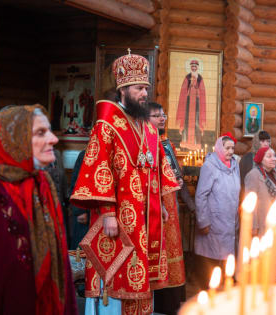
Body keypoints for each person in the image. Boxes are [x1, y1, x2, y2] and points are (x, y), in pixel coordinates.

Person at [70, 51, 179, 314]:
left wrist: (161, 205)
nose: (144, 93)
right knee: (116, 274)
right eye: (139, 88)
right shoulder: (106, 123)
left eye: (146, 88)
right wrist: (107, 213)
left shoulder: (148, 126)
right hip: (118, 217)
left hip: (146, 216)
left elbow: (157, 168)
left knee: (143, 279)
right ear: (123, 89)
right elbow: (99, 168)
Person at [0, 105, 77, 315]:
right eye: (40, 133)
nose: (54, 139)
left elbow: (60, 262)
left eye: (50, 131)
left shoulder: (42, 184)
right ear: (14, 141)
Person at [147, 102, 186, 315]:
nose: (162, 118)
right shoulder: (146, 143)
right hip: (157, 207)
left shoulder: (165, 143)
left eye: (163, 115)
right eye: (156, 115)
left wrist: (177, 182)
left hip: (170, 204)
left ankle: (171, 302)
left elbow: (173, 172)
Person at [194, 135, 240, 289]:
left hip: (229, 221)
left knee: (227, 260)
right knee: (212, 262)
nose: (230, 151)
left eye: (232, 148)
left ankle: (223, 295)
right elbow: (201, 195)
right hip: (214, 223)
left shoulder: (234, 165)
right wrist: (203, 221)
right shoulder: (210, 166)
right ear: (219, 148)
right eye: (227, 148)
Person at [244, 146, 276, 279]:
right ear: (260, 159)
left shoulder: (274, 174)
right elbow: (250, 201)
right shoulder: (253, 175)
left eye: (274, 156)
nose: (273, 159)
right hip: (263, 225)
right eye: (269, 156)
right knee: (268, 258)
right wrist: (253, 225)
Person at [240, 131, 276, 198]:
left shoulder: (275, 157)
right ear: (256, 142)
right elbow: (242, 181)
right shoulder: (247, 158)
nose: (266, 144)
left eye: (268, 141)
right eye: (262, 141)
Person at [176, 59, 206, 151]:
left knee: (196, 121)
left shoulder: (200, 78)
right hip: (188, 103)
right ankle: (185, 142)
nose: (193, 68)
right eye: (192, 66)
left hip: (197, 104)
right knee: (186, 121)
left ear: (197, 67)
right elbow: (183, 91)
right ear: (190, 67)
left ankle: (196, 143)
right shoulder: (187, 77)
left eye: (195, 66)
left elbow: (202, 92)